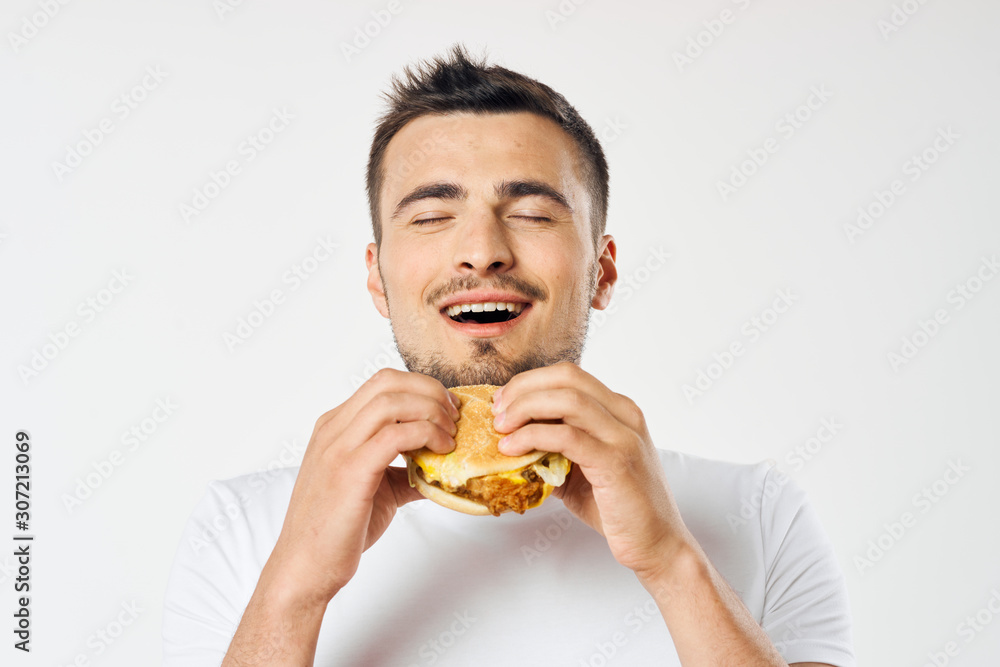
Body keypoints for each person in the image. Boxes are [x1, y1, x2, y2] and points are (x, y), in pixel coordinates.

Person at [163, 44, 856, 666]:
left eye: (531, 212)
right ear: (377, 277)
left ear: (602, 270)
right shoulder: (242, 528)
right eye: (433, 215)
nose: (482, 248)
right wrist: (296, 587)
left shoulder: (756, 513)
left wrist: (672, 562)